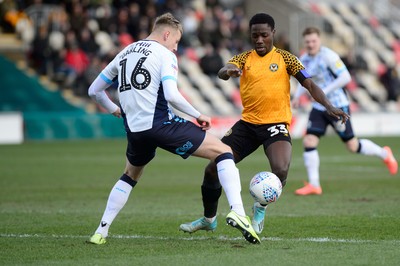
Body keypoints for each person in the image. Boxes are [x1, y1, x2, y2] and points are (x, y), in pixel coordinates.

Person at [87, 13, 261, 245]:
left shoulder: (125, 52)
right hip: (161, 124)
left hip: (134, 129)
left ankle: (101, 231)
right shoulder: (164, 53)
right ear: (166, 34)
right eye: (176, 41)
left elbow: (94, 90)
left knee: (130, 174)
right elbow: (171, 94)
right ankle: (238, 212)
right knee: (223, 151)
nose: (176, 47)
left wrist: (113, 109)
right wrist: (198, 115)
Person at [179, 13, 349, 235]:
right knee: (212, 169)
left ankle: (260, 207)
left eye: (264, 35)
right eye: (255, 35)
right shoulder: (242, 58)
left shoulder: (286, 59)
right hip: (247, 125)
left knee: (281, 170)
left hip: (276, 124)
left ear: (273, 34)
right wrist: (228, 72)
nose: (259, 40)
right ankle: (209, 219)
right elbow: (224, 69)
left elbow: (309, 83)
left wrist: (328, 105)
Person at [292, 27, 398, 196]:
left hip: (338, 106)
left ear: (319, 40)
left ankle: (385, 153)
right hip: (319, 107)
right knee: (309, 141)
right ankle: (314, 185)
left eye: (314, 41)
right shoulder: (304, 59)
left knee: (352, 145)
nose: (311, 44)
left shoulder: (329, 56)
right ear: (304, 43)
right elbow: (302, 81)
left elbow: (345, 77)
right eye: (308, 42)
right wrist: (297, 96)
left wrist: (324, 90)